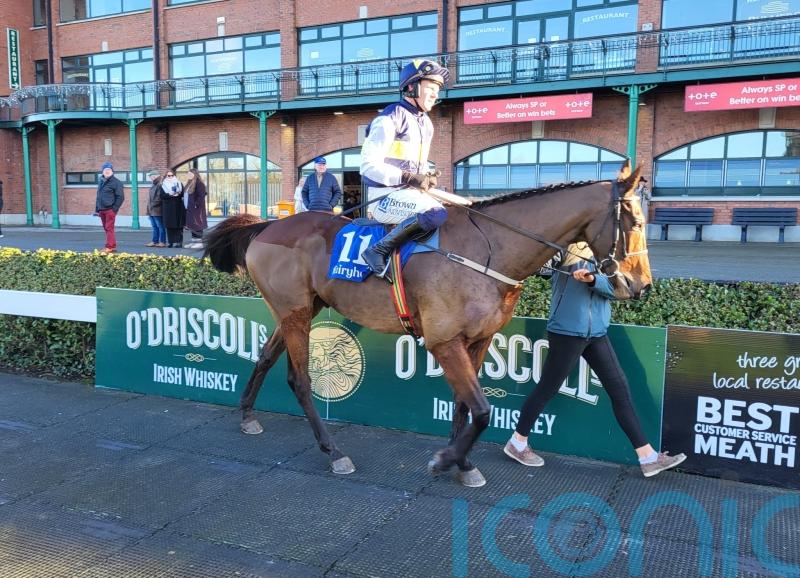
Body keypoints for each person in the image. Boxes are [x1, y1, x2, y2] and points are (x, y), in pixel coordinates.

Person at [504, 242, 686, 478]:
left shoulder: (609, 252)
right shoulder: (565, 245)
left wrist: (592, 280)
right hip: (567, 332)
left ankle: (648, 457)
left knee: (620, 390)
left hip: (597, 333)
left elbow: (620, 290)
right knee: (546, 389)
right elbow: (541, 266)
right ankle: (517, 443)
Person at [359, 59, 450, 279]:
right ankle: (377, 251)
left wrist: (425, 177)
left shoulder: (426, 123)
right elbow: (367, 166)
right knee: (436, 214)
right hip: (383, 197)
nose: (435, 94)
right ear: (412, 87)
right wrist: (409, 177)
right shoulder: (390, 117)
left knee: (458, 211)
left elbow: (414, 165)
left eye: (438, 88)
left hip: (408, 195)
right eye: (431, 87)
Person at [94, 162, 124, 253]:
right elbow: (99, 196)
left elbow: (120, 197)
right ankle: (112, 245)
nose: (107, 171)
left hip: (110, 210)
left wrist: (114, 209)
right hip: (101, 209)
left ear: (112, 171)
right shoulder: (101, 181)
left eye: (109, 170)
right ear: (102, 171)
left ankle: (109, 247)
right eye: (105, 170)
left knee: (109, 228)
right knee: (107, 228)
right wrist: (97, 209)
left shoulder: (116, 182)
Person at [184, 168, 207, 250]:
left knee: (198, 225)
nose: (189, 175)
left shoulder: (199, 184)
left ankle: (199, 243)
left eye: (190, 174)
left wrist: (196, 205)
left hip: (197, 209)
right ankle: (193, 242)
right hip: (189, 208)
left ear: (195, 174)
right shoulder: (189, 183)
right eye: (188, 174)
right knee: (192, 225)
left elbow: (201, 196)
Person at [160, 169, 185, 248]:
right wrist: (170, 194)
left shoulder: (179, 183)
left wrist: (178, 193)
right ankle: (171, 242)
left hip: (178, 206)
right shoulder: (163, 185)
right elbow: (161, 196)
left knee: (178, 225)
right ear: (166, 176)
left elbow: (183, 194)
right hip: (168, 207)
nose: (170, 177)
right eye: (168, 175)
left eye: (172, 175)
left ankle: (179, 242)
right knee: (169, 225)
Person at [145, 169, 166, 248]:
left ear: (157, 176)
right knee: (154, 226)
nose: (151, 177)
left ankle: (162, 242)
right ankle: (155, 241)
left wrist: (152, 205)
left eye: (153, 176)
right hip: (152, 210)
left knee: (160, 226)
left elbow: (159, 198)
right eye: (150, 176)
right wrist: (149, 208)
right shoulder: (153, 184)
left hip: (157, 210)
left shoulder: (160, 184)